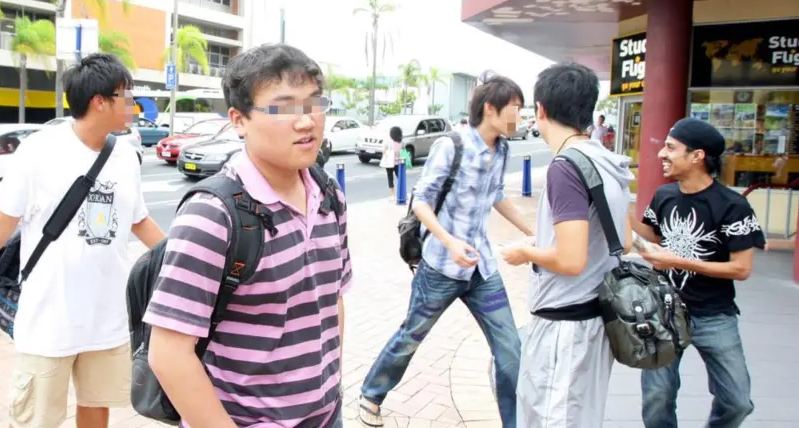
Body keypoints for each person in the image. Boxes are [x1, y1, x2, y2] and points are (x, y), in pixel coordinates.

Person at [0, 53, 165, 428]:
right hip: (49, 319)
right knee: (36, 419)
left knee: (97, 408)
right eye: (127, 95)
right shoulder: (40, 150)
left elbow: (140, 220)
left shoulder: (126, 157)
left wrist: (185, 263)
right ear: (100, 101)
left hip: (106, 316)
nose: (134, 105)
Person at [143, 43, 352, 427]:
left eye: (313, 103)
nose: (306, 121)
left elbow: (331, 299)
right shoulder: (213, 214)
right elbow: (169, 353)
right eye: (283, 108)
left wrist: (329, 387)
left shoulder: (329, 196)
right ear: (239, 120)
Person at [358, 75, 532, 428]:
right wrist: (449, 241)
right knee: (411, 336)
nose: (521, 116)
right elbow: (421, 201)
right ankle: (371, 394)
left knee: (510, 349)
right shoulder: (452, 145)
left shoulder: (503, 149)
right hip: (440, 268)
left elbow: (496, 194)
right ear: (490, 108)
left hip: (481, 269)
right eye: (515, 108)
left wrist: (531, 230)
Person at [499, 62, 634, 427]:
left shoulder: (565, 167)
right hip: (594, 321)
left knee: (552, 418)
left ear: (541, 110)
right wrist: (545, 242)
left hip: (565, 327)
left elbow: (571, 260)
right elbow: (625, 240)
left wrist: (526, 252)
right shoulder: (608, 161)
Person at [632, 117, 764, 428]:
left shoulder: (733, 205)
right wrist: (611, 207)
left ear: (697, 156)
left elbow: (741, 268)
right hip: (663, 313)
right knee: (657, 399)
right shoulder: (664, 196)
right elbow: (652, 234)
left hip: (714, 315)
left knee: (737, 401)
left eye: (670, 148)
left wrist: (678, 261)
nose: (661, 154)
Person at [380, 125, 404, 200]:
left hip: (389, 163)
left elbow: (384, 150)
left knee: (390, 178)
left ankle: (392, 195)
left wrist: (384, 158)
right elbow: (403, 152)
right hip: (398, 163)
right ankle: (402, 193)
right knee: (400, 178)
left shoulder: (388, 141)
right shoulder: (401, 142)